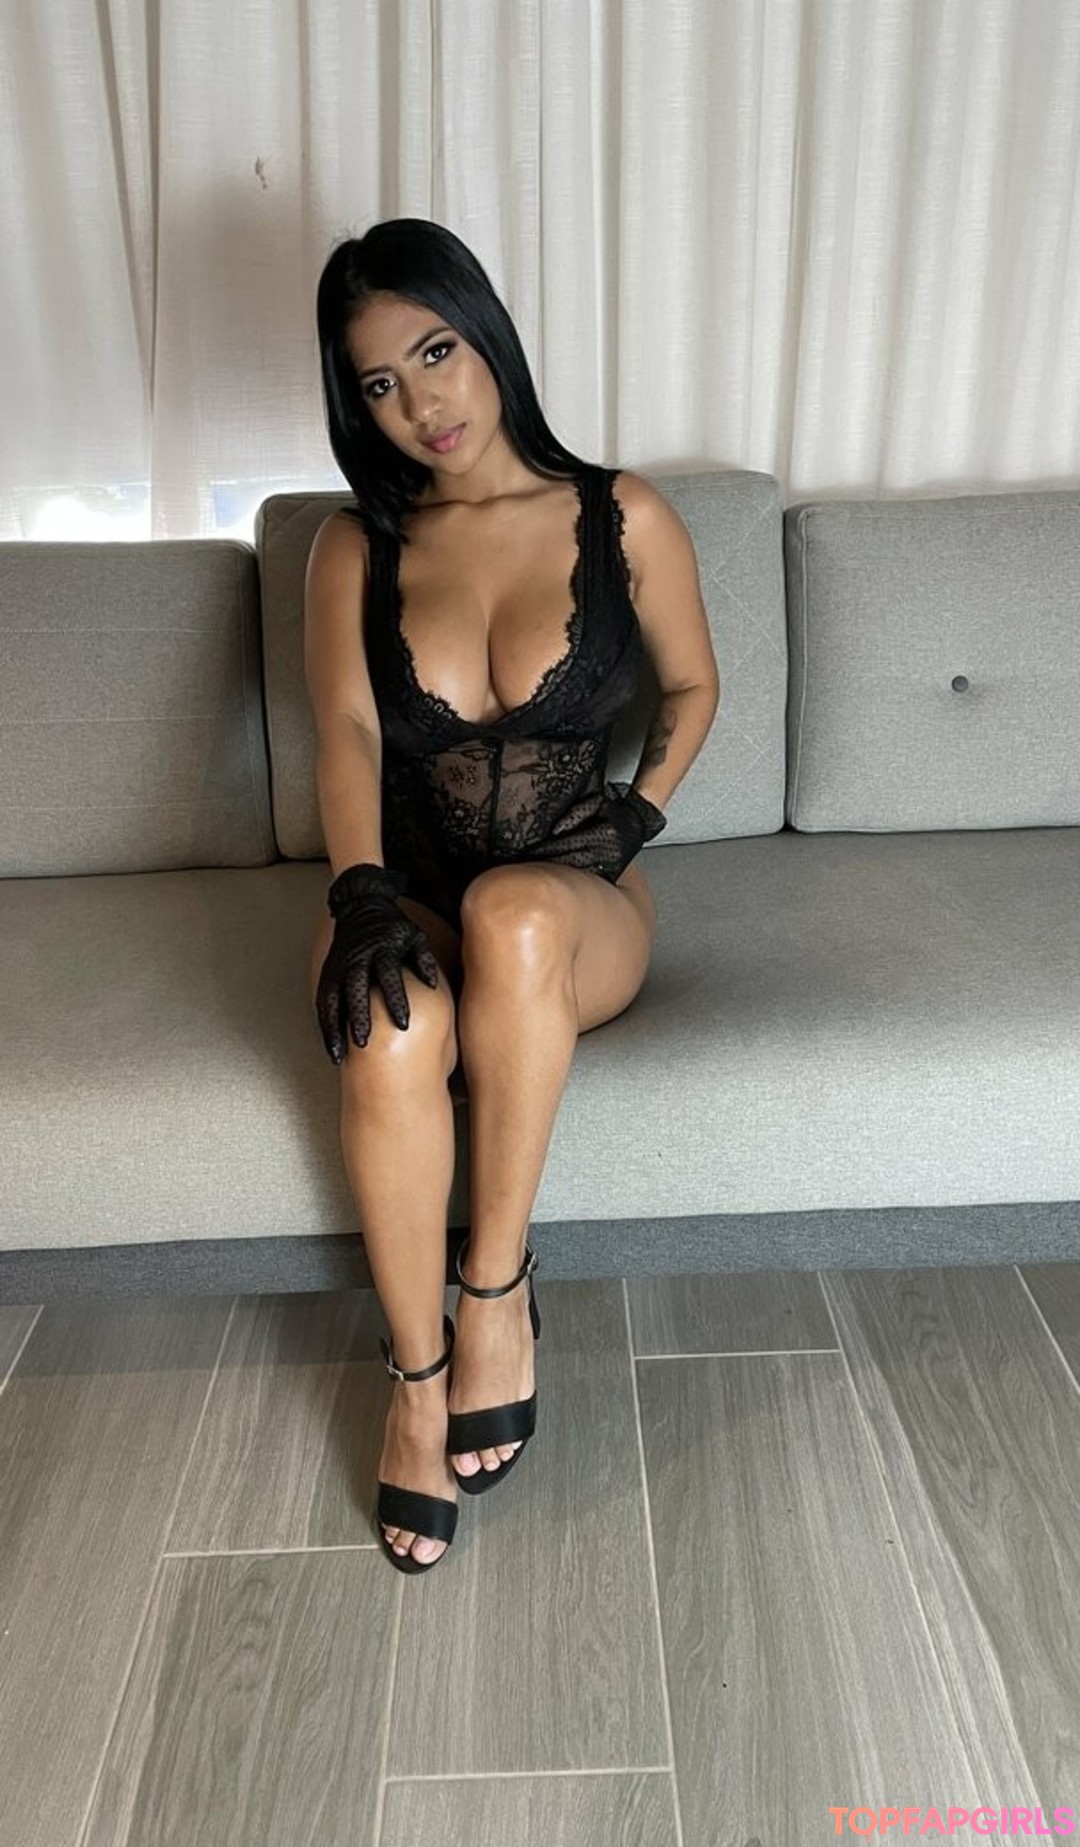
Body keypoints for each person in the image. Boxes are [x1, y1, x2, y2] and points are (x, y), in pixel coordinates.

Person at [305, 218, 720, 1573]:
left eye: (436, 353)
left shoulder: (620, 513)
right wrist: (362, 897)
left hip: (574, 909)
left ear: (487, 335)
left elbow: (694, 683)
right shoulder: (351, 548)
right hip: (413, 890)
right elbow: (348, 734)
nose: (420, 403)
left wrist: (639, 813)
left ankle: (493, 1290)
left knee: (516, 915)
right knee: (391, 1027)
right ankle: (415, 1382)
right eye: (379, 382)